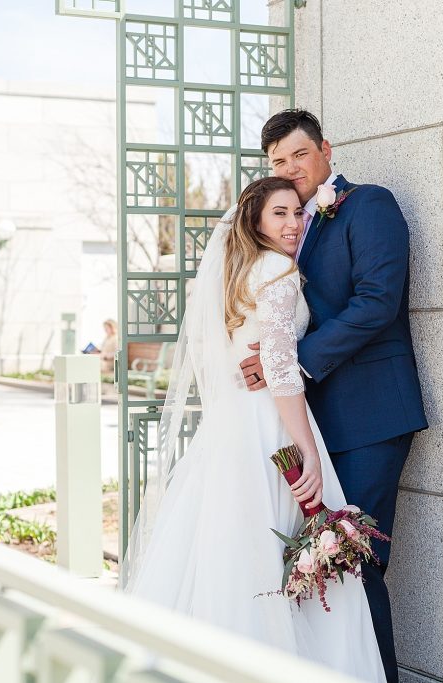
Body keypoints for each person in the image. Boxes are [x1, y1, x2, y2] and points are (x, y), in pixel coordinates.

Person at [122, 177, 386, 682]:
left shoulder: (235, 274)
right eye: (279, 215)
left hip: (229, 430)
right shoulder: (280, 271)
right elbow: (281, 368)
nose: (293, 224)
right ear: (257, 222)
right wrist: (307, 448)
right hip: (271, 426)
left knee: (231, 556)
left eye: (296, 212)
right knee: (276, 555)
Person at [239, 109, 428, 683]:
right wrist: (267, 358)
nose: (290, 168)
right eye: (277, 161)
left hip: (370, 416)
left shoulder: (368, 205)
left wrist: (291, 361)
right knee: (312, 569)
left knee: (357, 564)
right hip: (307, 423)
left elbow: (376, 302)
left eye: (299, 155)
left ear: (324, 149)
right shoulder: (288, 225)